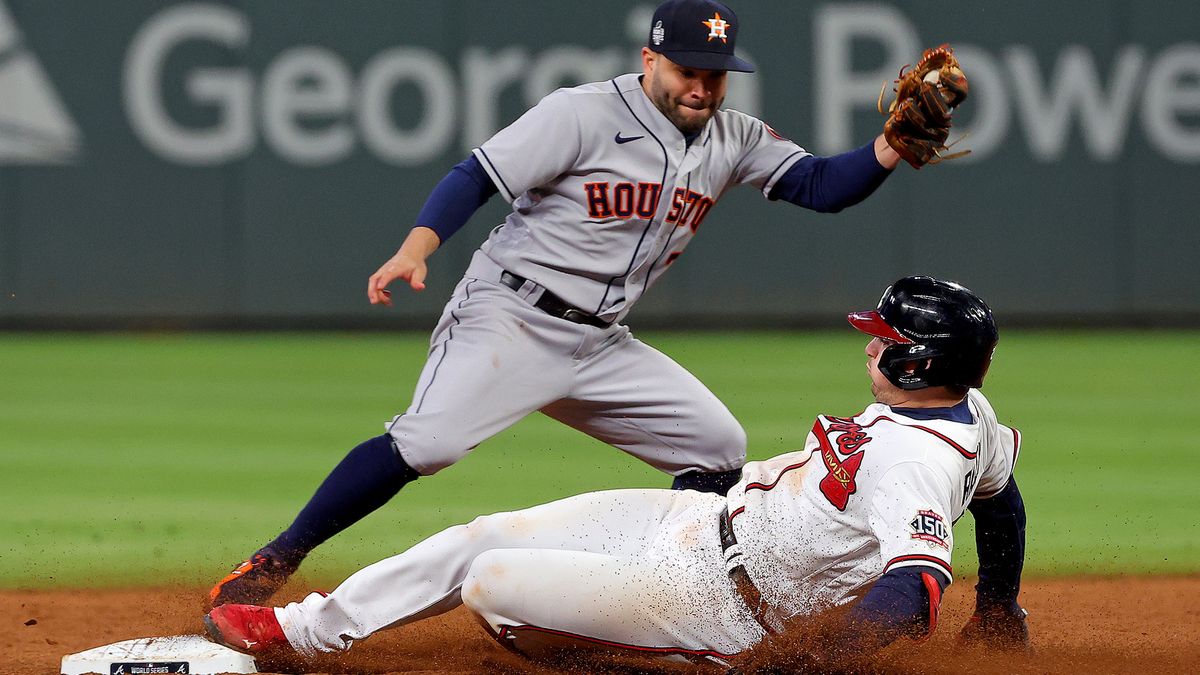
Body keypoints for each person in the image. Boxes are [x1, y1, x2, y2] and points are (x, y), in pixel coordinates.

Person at [209, 0, 960, 607]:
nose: (702, 86)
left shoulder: (732, 136)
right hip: (509, 314)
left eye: (717, 73)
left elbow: (823, 187)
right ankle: (276, 558)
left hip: (601, 342)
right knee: (427, 444)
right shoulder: (580, 113)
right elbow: (477, 173)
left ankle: (674, 588)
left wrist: (889, 149)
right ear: (649, 60)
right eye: (688, 69)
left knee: (717, 445)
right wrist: (417, 247)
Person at [204, 276, 1029, 670]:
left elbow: (912, 591)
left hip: (722, 606)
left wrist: (815, 663)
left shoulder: (915, 458)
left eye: (884, 336)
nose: (869, 341)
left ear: (920, 360)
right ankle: (303, 631)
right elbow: (1002, 501)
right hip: (703, 529)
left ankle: (654, 658)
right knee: (486, 532)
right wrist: (998, 613)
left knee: (491, 581)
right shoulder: (969, 420)